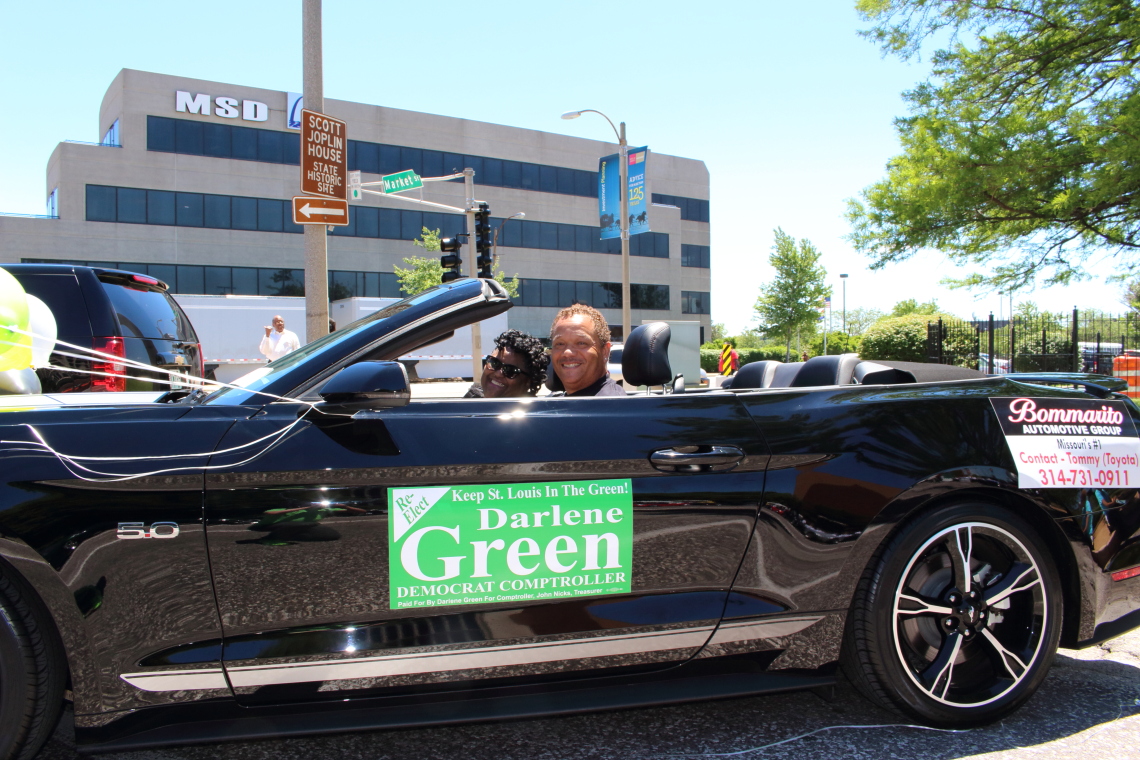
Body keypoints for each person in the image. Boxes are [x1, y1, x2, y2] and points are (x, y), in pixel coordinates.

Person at [549, 303, 623, 397]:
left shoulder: (613, 406)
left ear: (605, 351)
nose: (567, 352)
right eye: (560, 344)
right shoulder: (550, 404)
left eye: (581, 343)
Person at [465, 329, 550, 398]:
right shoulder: (471, 402)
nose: (498, 374)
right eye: (494, 363)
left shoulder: (533, 416)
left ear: (528, 381)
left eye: (510, 371)